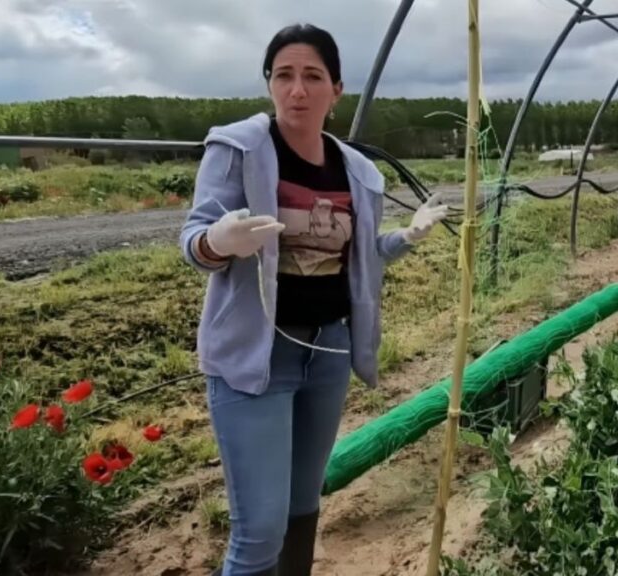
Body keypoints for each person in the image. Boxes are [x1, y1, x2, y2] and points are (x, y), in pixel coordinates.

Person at [179, 23, 450, 576]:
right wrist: (217, 241)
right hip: (257, 358)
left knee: (303, 510)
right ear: (270, 85)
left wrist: (409, 236)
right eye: (284, 76)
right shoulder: (238, 150)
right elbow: (194, 243)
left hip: (328, 350)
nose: (297, 90)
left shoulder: (356, 171)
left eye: (311, 76)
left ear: (336, 91)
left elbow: (361, 257)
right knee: (258, 534)